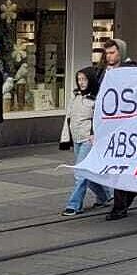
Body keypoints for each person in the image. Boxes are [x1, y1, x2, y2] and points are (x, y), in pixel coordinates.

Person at [59, 66, 110, 215]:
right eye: (79, 79)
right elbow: (69, 118)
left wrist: (94, 134)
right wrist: (65, 138)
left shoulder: (96, 98)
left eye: (84, 79)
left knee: (80, 172)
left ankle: (74, 205)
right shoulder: (75, 96)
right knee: (89, 172)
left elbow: (100, 119)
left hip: (89, 139)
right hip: (76, 138)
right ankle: (105, 196)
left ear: (91, 80)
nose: (81, 82)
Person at [103, 38, 137, 221]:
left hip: (128, 128)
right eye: (107, 53)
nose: (109, 56)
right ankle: (125, 199)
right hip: (110, 127)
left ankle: (119, 206)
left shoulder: (131, 70)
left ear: (121, 53)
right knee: (118, 168)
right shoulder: (104, 72)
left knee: (121, 168)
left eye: (112, 53)